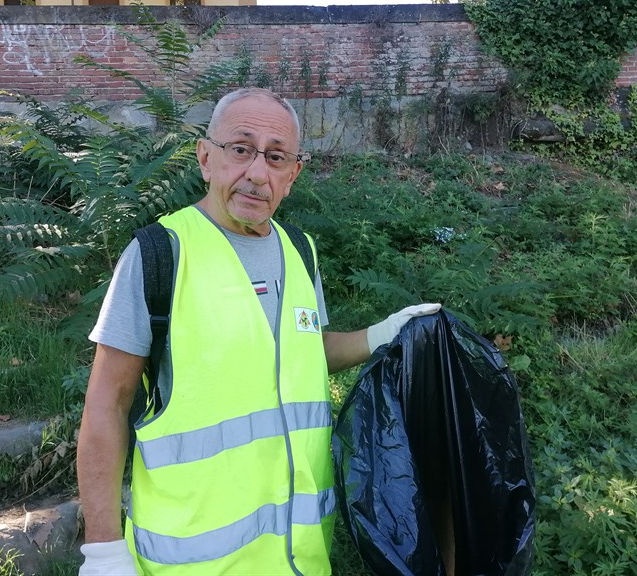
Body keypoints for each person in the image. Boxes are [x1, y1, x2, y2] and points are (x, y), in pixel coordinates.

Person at [76, 87, 440, 575]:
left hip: (299, 556)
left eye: (275, 157)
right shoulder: (159, 254)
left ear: (293, 174)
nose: (256, 173)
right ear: (206, 158)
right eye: (241, 149)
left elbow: (302, 352)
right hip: (193, 560)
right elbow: (107, 404)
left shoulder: (299, 250)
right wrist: (102, 549)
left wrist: (382, 334)